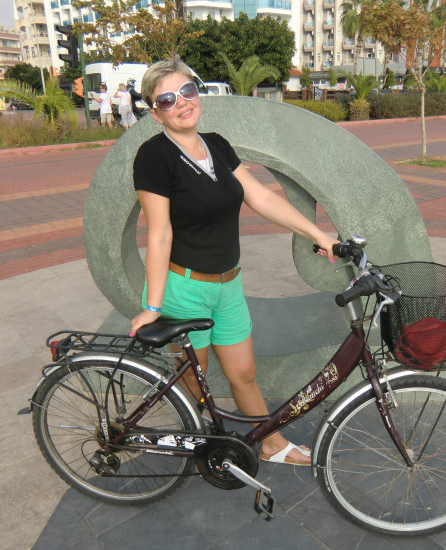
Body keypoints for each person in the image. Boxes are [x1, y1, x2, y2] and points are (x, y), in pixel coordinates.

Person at [129, 58, 339, 466]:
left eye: (187, 91)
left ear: (197, 93)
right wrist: (153, 306)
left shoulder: (217, 145)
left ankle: (272, 445)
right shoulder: (154, 156)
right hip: (183, 288)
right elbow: (159, 234)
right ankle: (195, 444)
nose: (181, 103)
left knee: (243, 374)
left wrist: (317, 234)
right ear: (156, 114)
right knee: (193, 383)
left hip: (228, 286)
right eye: (167, 100)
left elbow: (260, 197)